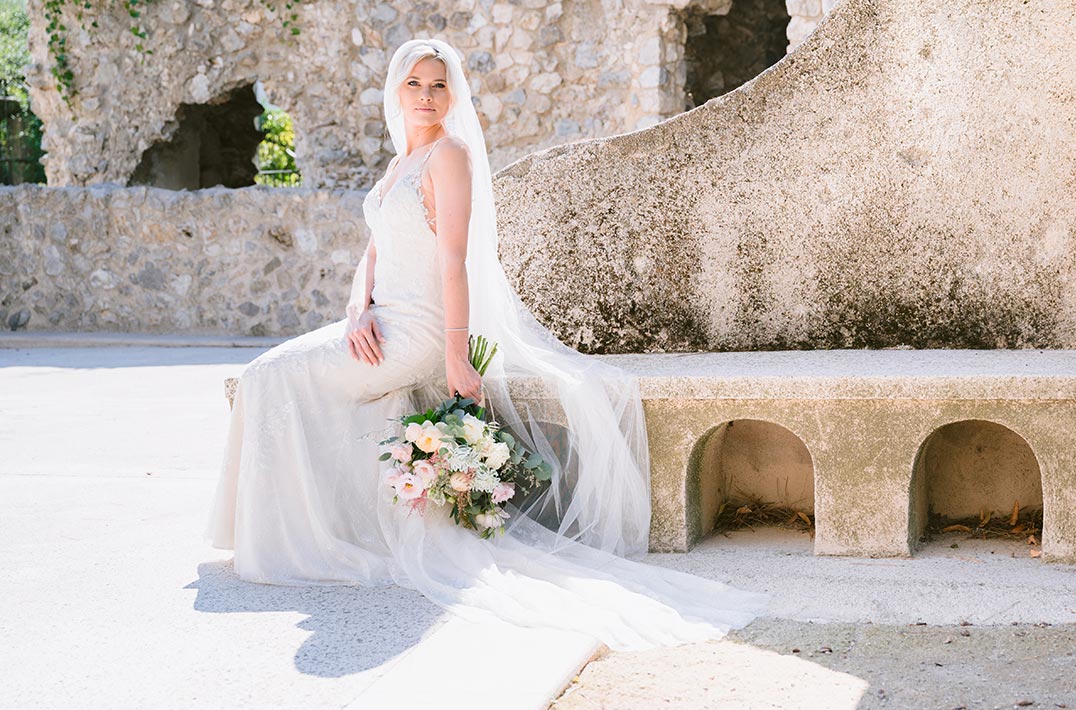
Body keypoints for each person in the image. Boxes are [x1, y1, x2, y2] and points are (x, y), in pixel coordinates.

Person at [204, 38, 768, 650]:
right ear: (396, 90)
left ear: (453, 94)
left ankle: (290, 539)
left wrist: (453, 356)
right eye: (415, 84)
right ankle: (302, 530)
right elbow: (374, 251)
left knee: (268, 376)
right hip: (377, 320)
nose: (426, 96)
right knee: (269, 372)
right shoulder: (400, 162)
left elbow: (454, 262)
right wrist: (353, 310)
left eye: (438, 85)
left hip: (418, 330)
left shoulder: (449, 157)